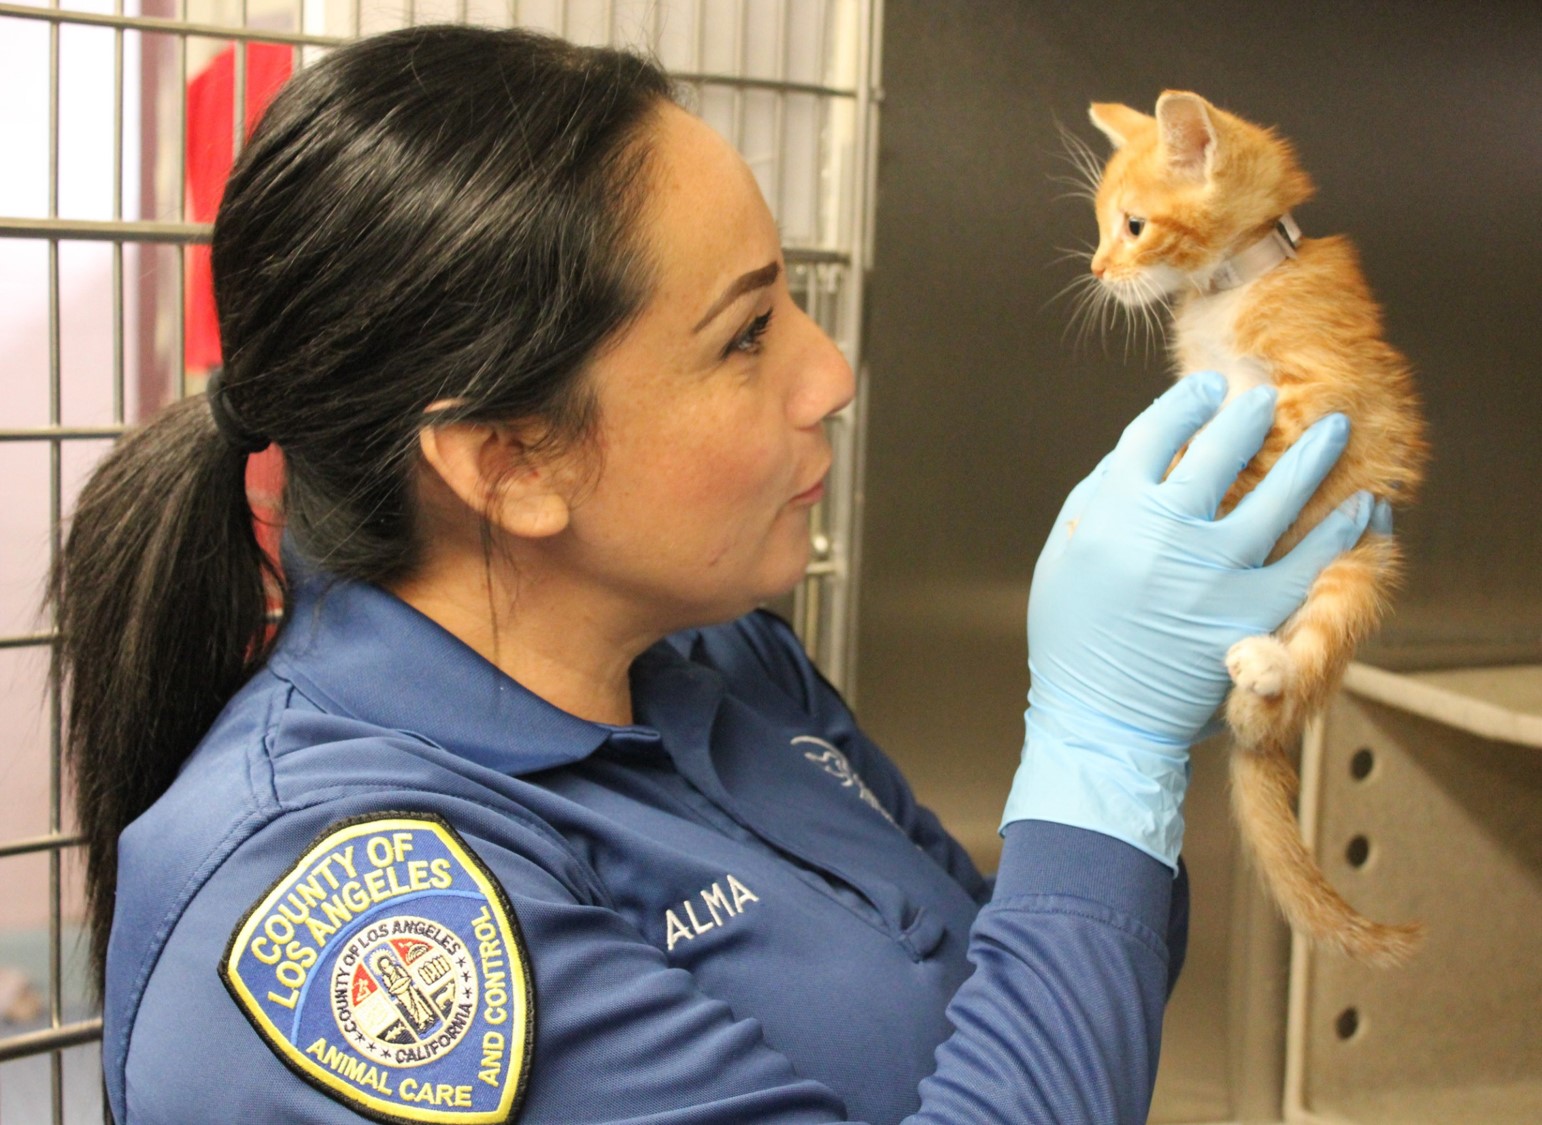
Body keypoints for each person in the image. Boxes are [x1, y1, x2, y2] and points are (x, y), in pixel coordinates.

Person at [52, 25, 1386, 1125]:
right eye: (747, 335)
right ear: (508, 460)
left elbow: (1040, 989)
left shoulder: (714, 658)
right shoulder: (367, 908)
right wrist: (1102, 750)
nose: (831, 372)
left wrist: (1113, 790)